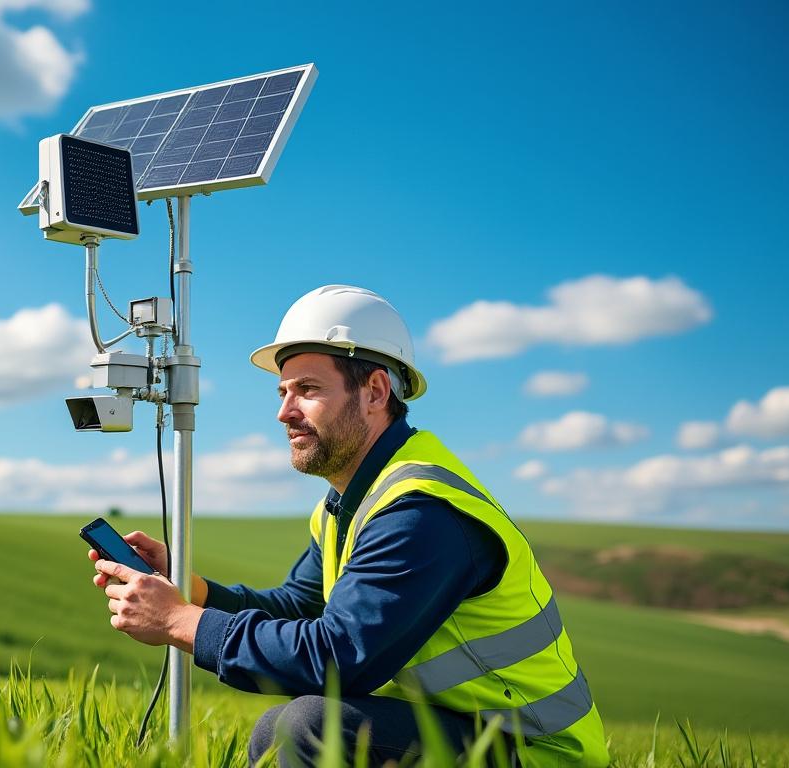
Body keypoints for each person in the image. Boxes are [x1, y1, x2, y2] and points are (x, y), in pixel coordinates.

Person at [89, 285, 608, 767]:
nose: (284, 412)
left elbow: (336, 659)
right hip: (470, 731)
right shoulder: (347, 504)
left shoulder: (421, 511)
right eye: (282, 392)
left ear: (376, 392)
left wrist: (181, 622)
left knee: (309, 726)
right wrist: (189, 589)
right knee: (286, 730)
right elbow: (296, 608)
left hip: (537, 751)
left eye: (307, 390)